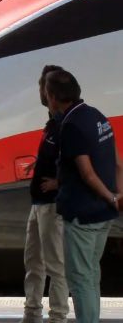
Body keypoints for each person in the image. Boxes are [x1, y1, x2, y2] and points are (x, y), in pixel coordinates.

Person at [46, 69, 121, 323]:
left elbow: (87, 174)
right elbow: (117, 162)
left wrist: (112, 198)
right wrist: (117, 196)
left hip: (84, 216)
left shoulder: (71, 126)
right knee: (91, 275)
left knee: (79, 279)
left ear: (54, 97)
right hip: (103, 214)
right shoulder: (97, 116)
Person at [21, 65, 69, 323]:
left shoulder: (65, 124)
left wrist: (58, 182)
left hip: (52, 205)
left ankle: (58, 317)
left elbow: (80, 160)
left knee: (55, 265)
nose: (40, 91)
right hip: (38, 203)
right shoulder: (52, 124)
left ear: (50, 92)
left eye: (42, 86)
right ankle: (32, 313)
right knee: (33, 262)